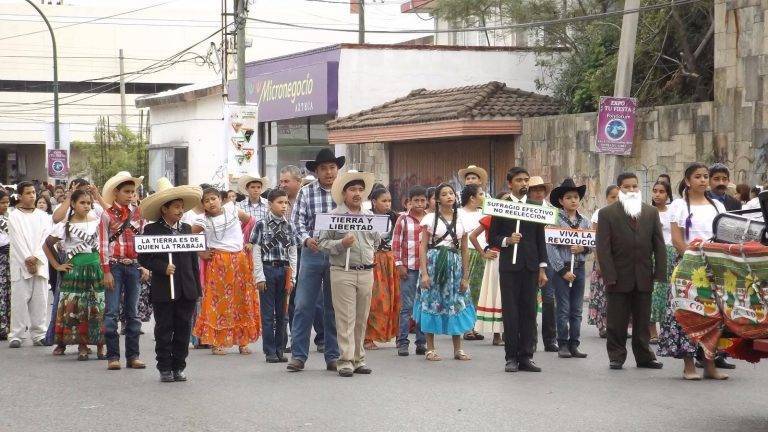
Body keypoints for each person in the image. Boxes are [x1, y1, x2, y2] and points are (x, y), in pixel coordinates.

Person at [657, 162, 729, 380]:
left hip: (714, 267)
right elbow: (678, 239)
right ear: (688, 181)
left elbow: (724, 237)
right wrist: (693, 256)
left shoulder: (718, 206)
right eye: (698, 177)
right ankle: (689, 365)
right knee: (688, 314)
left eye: (706, 176)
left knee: (714, 316)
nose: (703, 180)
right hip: (689, 265)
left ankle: (709, 363)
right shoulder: (679, 206)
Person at [596, 172, 666, 371]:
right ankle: (616, 356)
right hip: (618, 277)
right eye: (627, 187)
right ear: (619, 189)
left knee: (643, 320)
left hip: (644, 275)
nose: (632, 190)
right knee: (617, 322)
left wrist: (660, 273)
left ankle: (644, 356)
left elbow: (659, 245)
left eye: (635, 186)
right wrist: (609, 275)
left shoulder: (651, 212)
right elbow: (603, 248)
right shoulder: (607, 213)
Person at [138, 178, 203, 382]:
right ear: (164, 208)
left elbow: (193, 260)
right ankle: (164, 367)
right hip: (164, 289)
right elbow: (144, 257)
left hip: (187, 288)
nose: (180, 210)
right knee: (164, 328)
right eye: (176, 206)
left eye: (182, 207)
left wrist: (198, 290)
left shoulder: (186, 229)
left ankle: (179, 366)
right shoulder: (151, 230)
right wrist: (162, 267)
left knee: (184, 328)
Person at [318, 171, 380, 377]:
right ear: (344, 193)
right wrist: (341, 244)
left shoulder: (370, 217)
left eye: (360, 190)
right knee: (345, 318)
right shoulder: (333, 216)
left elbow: (377, 241)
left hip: (366, 271)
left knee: (362, 318)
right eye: (353, 189)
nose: (357, 193)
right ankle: (345, 360)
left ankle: (358, 359)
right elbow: (322, 243)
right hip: (342, 272)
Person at [287, 148, 344, 372]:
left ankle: (333, 355)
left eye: (332, 167)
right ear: (317, 171)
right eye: (324, 168)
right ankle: (298, 356)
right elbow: (296, 221)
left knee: (333, 306)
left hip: (338, 252)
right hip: (312, 252)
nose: (328, 172)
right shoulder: (306, 192)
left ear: (337, 169)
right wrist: (306, 239)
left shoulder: (345, 192)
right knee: (302, 305)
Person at [488, 168, 549, 373]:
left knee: (529, 313)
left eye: (526, 180)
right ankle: (511, 357)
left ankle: (526, 356)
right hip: (509, 267)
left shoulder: (535, 207)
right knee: (511, 313)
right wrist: (507, 240)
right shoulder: (501, 207)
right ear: (510, 184)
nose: (523, 183)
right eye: (519, 180)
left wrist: (542, 268)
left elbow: (540, 239)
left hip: (531, 266)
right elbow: (492, 237)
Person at [192, 187, 261, 355]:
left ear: (221, 199)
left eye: (213, 198)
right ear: (203, 205)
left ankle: (243, 342)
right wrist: (202, 253)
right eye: (206, 201)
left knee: (241, 300)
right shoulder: (201, 220)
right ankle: (217, 342)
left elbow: (251, 222)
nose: (211, 202)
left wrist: (248, 242)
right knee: (218, 302)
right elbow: (190, 239)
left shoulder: (232, 210)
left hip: (240, 260)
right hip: (218, 263)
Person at [44, 189, 109, 361]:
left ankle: (101, 345)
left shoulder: (98, 222)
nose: (86, 206)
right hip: (75, 271)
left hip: (96, 269)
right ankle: (82, 345)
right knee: (78, 308)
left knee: (98, 307)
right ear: (73, 204)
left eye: (88, 203)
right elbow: (47, 245)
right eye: (82, 202)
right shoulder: (64, 225)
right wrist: (57, 265)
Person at [415, 183, 475, 362]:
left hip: (454, 266)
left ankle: (458, 349)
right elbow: (423, 247)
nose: (449, 196)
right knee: (431, 303)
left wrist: (465, 277)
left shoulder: (462, 221)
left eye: (451, 193)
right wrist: (424, 273)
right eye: (444, 194)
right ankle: (430, 348)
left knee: (455, 303)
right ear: (438, 199)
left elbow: (464, 250)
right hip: (434, 264)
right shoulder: (430, 219)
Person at [99, 171, 149, 370]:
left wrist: (144, 265)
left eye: (133, 191)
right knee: (111, 312)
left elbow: (143, 242)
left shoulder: (140, 213)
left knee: (133, 313)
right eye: (126, 191)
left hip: (134, 266)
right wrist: (106, 271)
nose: (130, 195)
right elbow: (102, 244)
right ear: (116, 193)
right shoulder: (107, 214)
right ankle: (113, 356)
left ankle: (133, 356)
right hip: (114, 265)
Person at [278, 165, 322, 353]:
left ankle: (322, 337)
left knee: (317, 299)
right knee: (293, 299)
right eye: (281, 181)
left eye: (286, 181)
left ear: (298, 181)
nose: (283, 185)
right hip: (286, 254)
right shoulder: (277, 201)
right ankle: (295, 339)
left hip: (306, 250)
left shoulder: (306, 197)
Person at [250, 188, 297, 364]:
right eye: (280, 202)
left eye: (286, 202)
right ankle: (269, 350)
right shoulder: (261, 224)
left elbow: (293, 252)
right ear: (270, 204)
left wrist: (293, 277)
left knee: (283, 314)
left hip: (284, 271)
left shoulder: (290, 225)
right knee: (268, 314)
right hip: (268, 270)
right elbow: (256, 251)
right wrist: (259, 276)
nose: (284, 206)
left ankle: (280, 349)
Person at [547, 178, 591, 359]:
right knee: (563, 307)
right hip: (563, 269)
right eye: (569, 197)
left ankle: (575, 343)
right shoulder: (555, 219)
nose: (573, 200)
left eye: (576, 197)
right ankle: (562, 343)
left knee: (577, 309)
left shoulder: (585, 222)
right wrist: (562, 271)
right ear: (561, 201)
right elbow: (551, 247)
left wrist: (583, 248)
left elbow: (590, 244)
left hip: (579, 267)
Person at [7, 182, 52, 348]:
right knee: (19, 300)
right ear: (20, 196)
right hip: (20, 263)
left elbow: (45, 238)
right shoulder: (14, 216)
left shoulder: (43, 216)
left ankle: (39, 333)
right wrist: (27, 258)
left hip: (39, 261)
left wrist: (36, 258)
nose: (32, 195)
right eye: (28, 193)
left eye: (33, 192)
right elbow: (17, 241)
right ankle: (16, 334)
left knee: (40, 300)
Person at [392, 185, 428, 357]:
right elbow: (396, 243)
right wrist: (399, 264)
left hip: (426, 269)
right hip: (409, 268)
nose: (419, 204)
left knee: (423, 305)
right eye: (416, 200)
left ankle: (421, 342)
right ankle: (402, 342)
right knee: (407, 306)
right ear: (410, 202)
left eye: (422, 200)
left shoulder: (430, 219)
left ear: (427, 201)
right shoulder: (403, 219)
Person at [363, 187, 400, 351]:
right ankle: (368, 337)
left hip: (391, 260)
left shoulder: (395, 218)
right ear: (373, 202)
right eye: (383, 201)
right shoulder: (367, 218)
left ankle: (394, 334)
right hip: (373, 259)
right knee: (375, 300)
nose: (387, 204)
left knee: (393, 299)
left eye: (389, 201)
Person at [469, 192, 507, 346]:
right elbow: (473, 236)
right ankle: (497, 335)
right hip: (496, 258)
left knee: (507, 296)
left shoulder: (517, 219)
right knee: (495, 295)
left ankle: (507, 334)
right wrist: (483, 252)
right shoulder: (491, 218)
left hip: (512, 258)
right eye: (504, 201)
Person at [527, 176, 557, 352]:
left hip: (550, 259)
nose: (538, 193)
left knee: (549, 299)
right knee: (529, 300)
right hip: (530, 257)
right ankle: (531, 340)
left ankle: (550, 339)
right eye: (534, 190)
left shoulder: (553, 211)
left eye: (541, 190)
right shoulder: (523, 210)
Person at [588, 185, 620, 338]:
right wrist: (599, 262)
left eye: (619, 197)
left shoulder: (627, 214)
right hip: (603, 260)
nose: (616, 200)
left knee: (620, 295)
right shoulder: (599, 214)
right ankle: (603, 326)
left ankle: (619, 326)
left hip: (621, 261)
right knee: (602, 294)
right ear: (607, 198)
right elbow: (594, 240)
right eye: (613, 197)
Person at [457, 184, 486, 342]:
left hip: (482, 254)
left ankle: (474, 326)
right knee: (465, 291)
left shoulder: (484, 213)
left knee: (478, 292)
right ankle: (465, 327)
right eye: (481, 193)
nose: (484, 196)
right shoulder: (459, 213)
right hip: (466, 253)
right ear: (472, 198)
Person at [649, 181, 675, 344]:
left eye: (662, 191)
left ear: (668, 195)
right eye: (655, 191)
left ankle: (667, 331)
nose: (657, 194)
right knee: (654, 292)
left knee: (669, 294)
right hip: (651, 255)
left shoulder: (673, 213)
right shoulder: (647, 212)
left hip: (671, 254)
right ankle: (652, 331)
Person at [0, 190, 9, 341]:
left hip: (9, 260)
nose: (5, 205)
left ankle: (8, 326)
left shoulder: (9, 218)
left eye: (7, 202)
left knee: (8, 291)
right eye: (2, 202)